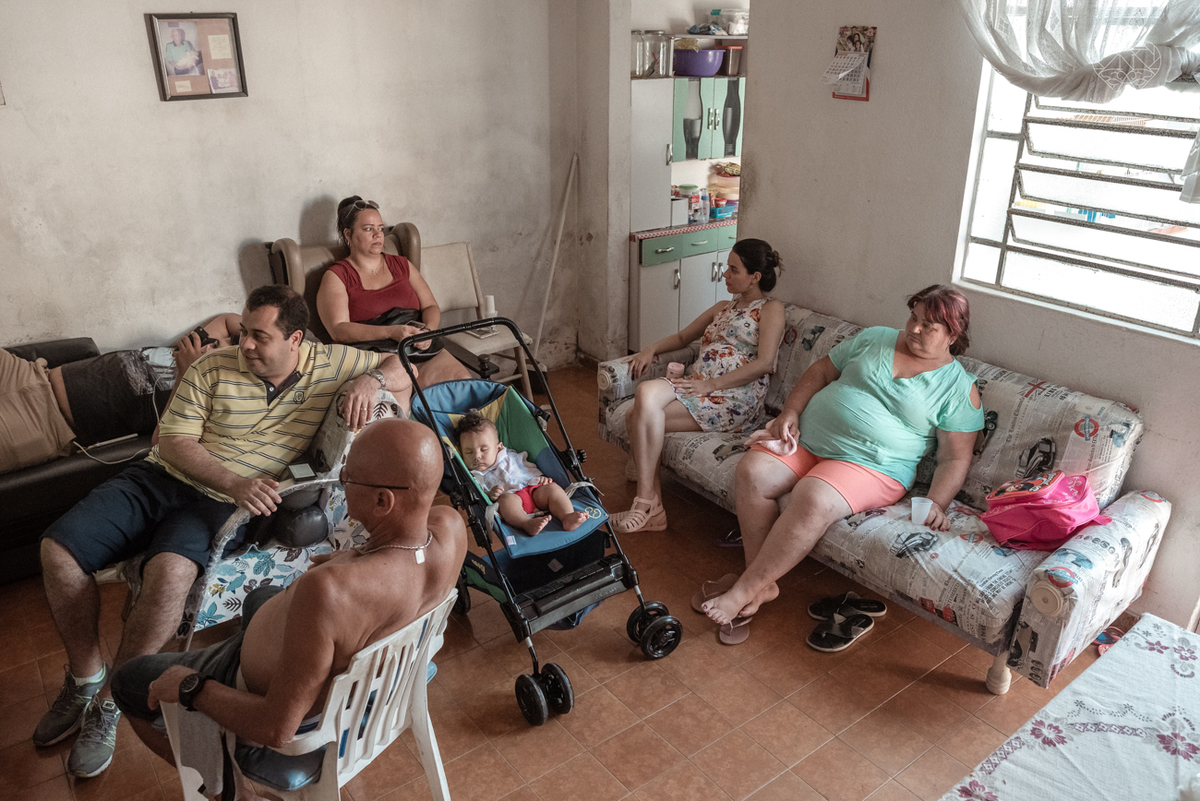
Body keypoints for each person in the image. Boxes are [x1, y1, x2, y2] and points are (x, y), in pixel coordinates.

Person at [33, 285, 412, 779]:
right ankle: (85, 677)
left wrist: (370, 380)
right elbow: (172, 442)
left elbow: (407, 362)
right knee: (57, 551)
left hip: (215, 506)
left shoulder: (329, 361)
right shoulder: (214, 368)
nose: (246, 345)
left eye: (259, 335)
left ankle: (109, 702)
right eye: (244, 331)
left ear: (296, 339)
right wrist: (237, 481)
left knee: (170, 577)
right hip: (164, 478)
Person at [109, 418, 466, 801]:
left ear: (383, 501)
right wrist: (358, 556)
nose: (341, 480)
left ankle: (233, 793)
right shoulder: (451, 528)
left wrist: (190, 687)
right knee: (260, 596)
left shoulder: (329, 591)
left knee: (127, 683)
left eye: (349, 476)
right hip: (367, 684)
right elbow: (400, 559)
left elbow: (277, 728)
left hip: (282, 711)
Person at [699, 285, 984, 645]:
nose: (913, 329)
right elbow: (820, 372)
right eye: (914, 317)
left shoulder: (958, 388)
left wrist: (937, 504)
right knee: (752, 472)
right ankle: (760, 584)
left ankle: (744, 591)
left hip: (872, 466)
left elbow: (955, 457)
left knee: (813, 496)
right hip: (809, 442)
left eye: (928, 326)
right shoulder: (876, 338)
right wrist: (790, 411)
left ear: (952, 334)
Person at [611, 239, 786, 534]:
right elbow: (682, 338)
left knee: (635, 417)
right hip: (697, 387)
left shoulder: (770, 309)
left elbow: (765, 363)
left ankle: (648, 507)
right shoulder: (721, 308)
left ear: (755, 277)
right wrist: (649, 349)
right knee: (644, 397)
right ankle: (649, 504)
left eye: (734, 270)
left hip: (733, 398)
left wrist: (711, 384)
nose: (725, 275)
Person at [0, 313, 241, 475]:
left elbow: (167, 441)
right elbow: (228, 319)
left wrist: (188, 375)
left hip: (44, 422)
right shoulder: (187, 351)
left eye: (218, 348)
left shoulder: (205, 397)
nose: (210, 343)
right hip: (30, 372)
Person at [316, 196, 472, 387]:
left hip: (418, 346)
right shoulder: (337, 275)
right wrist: (392, 332)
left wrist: (429, 332)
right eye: (368, 229)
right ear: (348, 234)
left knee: (462, 384)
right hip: (375, 354)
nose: (378, 235)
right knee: (411, 400)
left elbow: (430, 305)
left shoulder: (402, 264)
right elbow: (338, 329)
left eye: (380, 229)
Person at [455, 410, 588, 536]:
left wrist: (539, 479)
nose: (476, 456)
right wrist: (490, 494)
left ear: (499, 447)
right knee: (506, 501)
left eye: (483, 449)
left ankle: (567, 516)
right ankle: (526, 523)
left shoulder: (509, 455)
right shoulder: (476, 475)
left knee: (552, 489)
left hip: (533, 490)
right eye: (468, 452)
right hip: (513, 500)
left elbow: (526, 467)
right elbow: (479, 494)